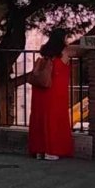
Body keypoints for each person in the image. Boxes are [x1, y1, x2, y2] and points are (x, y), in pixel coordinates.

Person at [26, 29, 75, 160]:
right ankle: (51, 150)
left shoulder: (45, 51)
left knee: (40, 117)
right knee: (54, 118)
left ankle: (39, 150)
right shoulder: (64, 53)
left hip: (40, 89)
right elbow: (80, 49)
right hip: (54, 90)